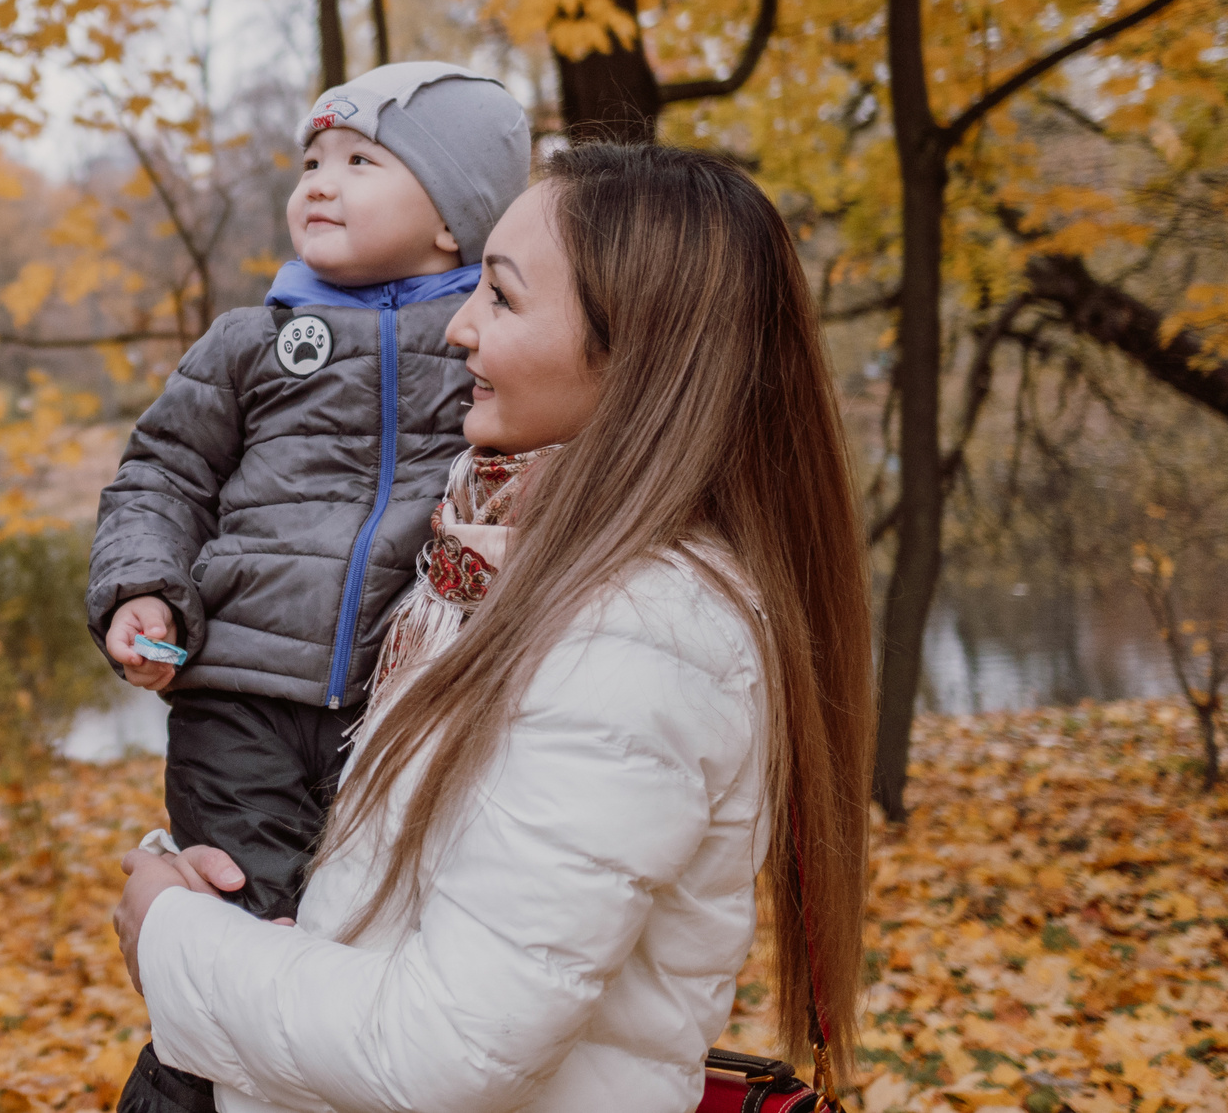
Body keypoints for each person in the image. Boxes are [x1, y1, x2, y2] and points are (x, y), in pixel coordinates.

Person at [110, 144, 874, 1113]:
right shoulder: (496, 555)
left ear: (634, 356)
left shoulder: (639, 635)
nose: (458, 330)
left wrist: (174, 940)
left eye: (501, 300)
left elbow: (448, 1050)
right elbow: (407, 910)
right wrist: (222, 898)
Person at [85, 63, 530, 1113]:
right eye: (311, 161)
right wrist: (142, 589)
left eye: (362, 162)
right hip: (238, 692)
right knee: (240, 925)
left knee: (364, 937)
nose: (319, 183)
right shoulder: (251, 342)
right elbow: (159, 476)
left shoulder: (487, 348)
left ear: (455, 223)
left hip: (403, 706)